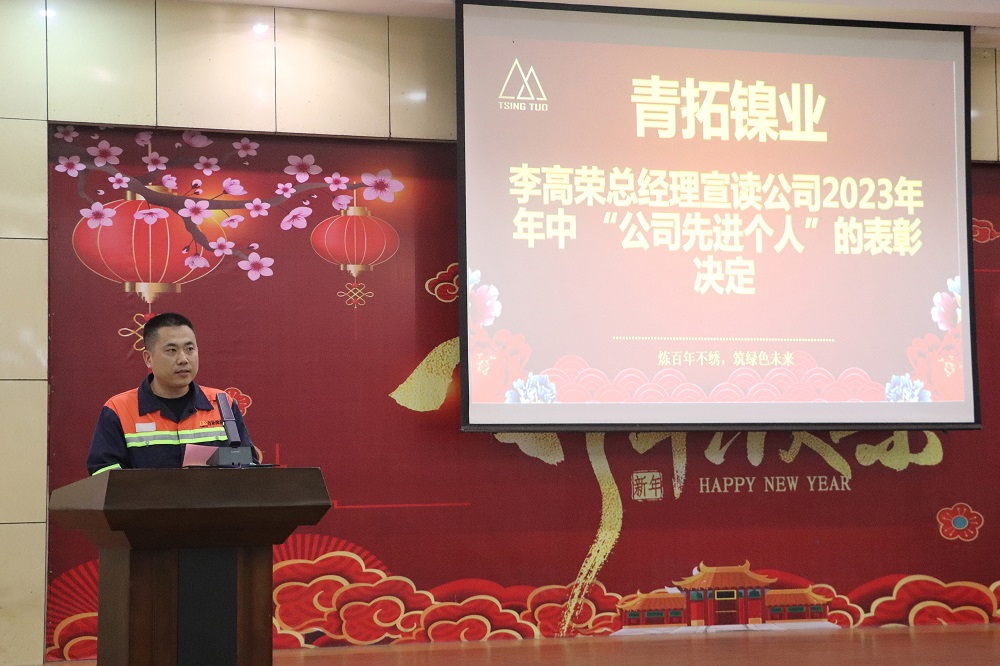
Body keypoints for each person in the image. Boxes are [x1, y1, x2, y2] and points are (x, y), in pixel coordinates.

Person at [86, 312, 254, 475]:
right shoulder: (118, 409)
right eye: (172, 350)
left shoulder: (222, 404)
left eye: (189, 349)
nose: (183, 359)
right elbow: (104, 474)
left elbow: (248, 466)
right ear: (148, 358)